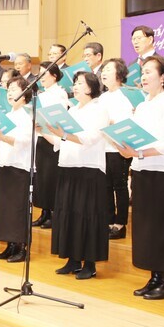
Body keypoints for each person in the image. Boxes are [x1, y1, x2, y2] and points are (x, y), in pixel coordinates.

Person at [113, 57, 164, 300]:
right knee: (147, 227)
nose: (142, 77)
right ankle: (154, 278)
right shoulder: (143, 106)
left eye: (148, 72)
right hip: (143, 170)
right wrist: (123, 144)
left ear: (163, 76)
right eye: (141, 72)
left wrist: (139, 151)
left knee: (162, 227)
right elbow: (135, 138)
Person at [49, 72, 111, 279]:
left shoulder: (99, 109)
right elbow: (61, 142)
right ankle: (73, 259)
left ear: (91, 87)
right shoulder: (72, 109)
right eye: (74, 83)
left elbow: (91, 138)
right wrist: (45, 131)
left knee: (88, 216)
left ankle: (90, 263)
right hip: (68, 166)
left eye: (80, 83)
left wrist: (64, 134)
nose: (75, 86)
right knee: (69, 214)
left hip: (89, 168)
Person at [0, 76, 33, 263]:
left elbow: (24, 141)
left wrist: (2, 137)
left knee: (17, 208)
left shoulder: (28, 115)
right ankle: (10, 245)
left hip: (19, 166)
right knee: (4, 208)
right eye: (9, 89)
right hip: (3, 163)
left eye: (14, 89)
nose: (10, 92)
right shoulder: (8, 115)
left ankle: (21, 246)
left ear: (24, 93)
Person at [99, 58, 134, 239]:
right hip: (102, 148)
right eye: (103, 69)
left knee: (119, 186)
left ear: (119, 75)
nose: (103, 73)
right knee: (105, 187)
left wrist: (110, 124)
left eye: (108, 70)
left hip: (118, 148)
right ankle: (108, 221)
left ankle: (120, 224)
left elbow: (125, 124)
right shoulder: (102, 97)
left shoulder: (125, 96)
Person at [31, 62, 68, 229]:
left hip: (53, 138)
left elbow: (58, 115)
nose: (41, 77)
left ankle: (53, 214)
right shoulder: (41, 94)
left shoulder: (59, 93)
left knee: (51, 177)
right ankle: (44, 212)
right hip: (41, 136)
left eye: (44, 73)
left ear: (54, 75)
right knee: (42, 178)